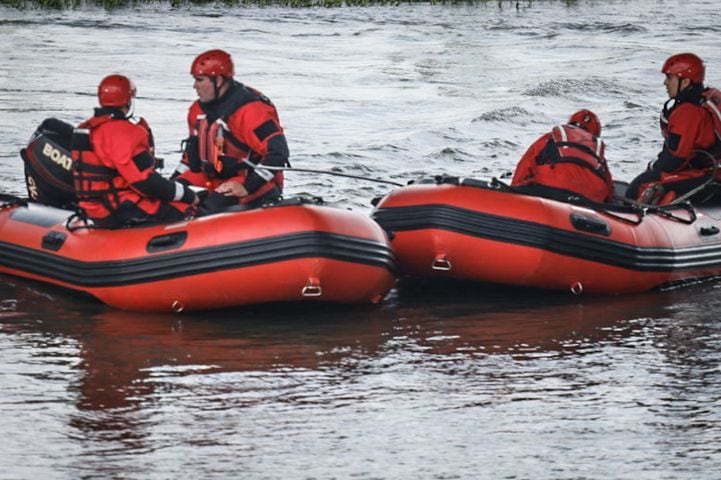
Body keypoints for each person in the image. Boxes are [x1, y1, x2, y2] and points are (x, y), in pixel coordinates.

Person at [72, 74, 199, 228]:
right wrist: (188, 195)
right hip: (119, 207)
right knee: (187, 209)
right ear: (128, 99)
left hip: (93, 208)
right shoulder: (124, 132)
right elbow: (145, 182)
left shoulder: (85, 129)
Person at [172, 49, 289, 212]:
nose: (194, 86)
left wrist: (248, 187)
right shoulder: (196, 111)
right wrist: (170, 185)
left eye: (200, 80)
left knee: (209, 207)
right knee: (168, 198)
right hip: (212, 178)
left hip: (250, 180)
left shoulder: (251, 111)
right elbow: (189, 158)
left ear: (218, 80)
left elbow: (278, 152)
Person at [625, 52, 721, 204]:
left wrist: (654, 168)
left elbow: (676, 159)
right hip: (712, 173)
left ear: (685, 82)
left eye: (670, 78)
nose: (665, 83)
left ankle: (641, 218)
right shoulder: (708, 97)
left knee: (642, 184)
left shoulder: (687, 111)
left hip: (711, 178)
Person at [511, 109, 614, 203]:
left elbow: (525, 166)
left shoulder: (551, 137)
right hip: (589, 198)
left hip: (550, 186)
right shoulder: (597, 151)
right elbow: (608, 189)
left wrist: (513, 192)